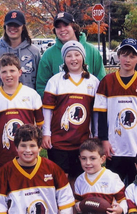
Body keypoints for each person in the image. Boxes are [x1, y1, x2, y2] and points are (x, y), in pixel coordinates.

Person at [94, 38, 137, 185]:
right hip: (115, 147)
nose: (127, 59)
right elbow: (101, 115)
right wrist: (104, 140)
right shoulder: (107, 82)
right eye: (124, 55)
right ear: (118, 56)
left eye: (132, 56)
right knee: (114, 186)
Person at [42, 40, 100, 181]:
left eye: (77, 55)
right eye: (69, 56)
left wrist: (96, 133)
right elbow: (47, 110)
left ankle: (77, 202)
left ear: (83, 57)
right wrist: (46, 133)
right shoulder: (55, 81)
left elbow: (96, 113)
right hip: (59, 140)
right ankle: (62, 203)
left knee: (80, 177)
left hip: (82, 139)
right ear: (64, 59)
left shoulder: (93, 81)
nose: (73, 59)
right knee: (61, 177)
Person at [0, 124, 75, 213]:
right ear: (16, 147)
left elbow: (65, 202)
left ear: (39, 147)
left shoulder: (53, 169)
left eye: (32, 146)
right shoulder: (4, 174)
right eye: (23, 145)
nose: (28, 150)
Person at [0, 53, 44, 172]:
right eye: (4, 72)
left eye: (12, 70)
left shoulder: (31, 95)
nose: (8, 75)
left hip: (27, 150)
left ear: (20, 72)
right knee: (5, 181)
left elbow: (39, 124)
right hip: (3, 152)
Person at [36, 11, 105, 98]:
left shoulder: (92, 51)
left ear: (74, 27)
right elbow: (41, 86)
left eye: (66, 25)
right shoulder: (48, 55)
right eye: (58, 27)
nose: (62, 30)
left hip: (88, 107)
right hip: (60, 108)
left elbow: (101, 81)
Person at [0, 10, 41, 91]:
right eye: (9, 24)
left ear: (23, 27)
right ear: (5, 27)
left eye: (16, 25)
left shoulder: (34, 52)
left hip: (27, 101)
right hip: (3, 100)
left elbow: (40, 80)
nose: (13, 28)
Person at [74, 138, 127, 214]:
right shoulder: (79, 180)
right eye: (84, 158)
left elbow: (123, 200)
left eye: (93, 158)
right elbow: (78, 201)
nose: (88, 162)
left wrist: (120, 209)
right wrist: (78, 205)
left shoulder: (112, 177)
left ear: (102, 159)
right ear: (80, 158)